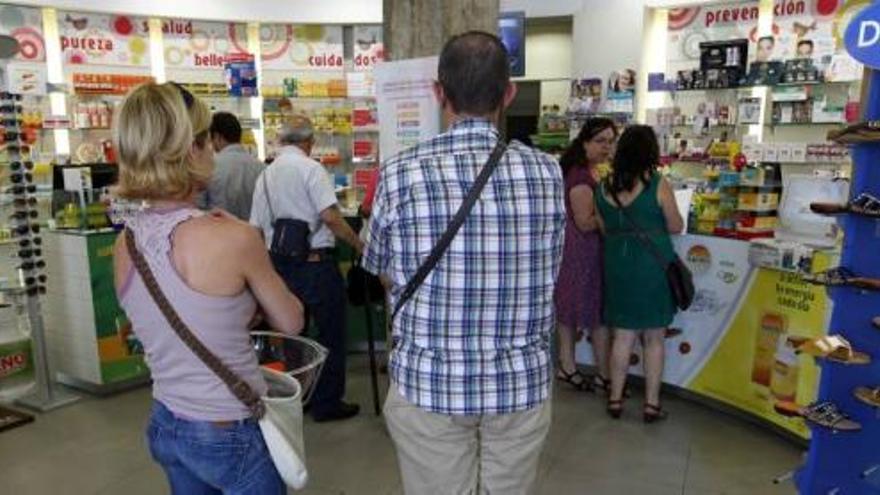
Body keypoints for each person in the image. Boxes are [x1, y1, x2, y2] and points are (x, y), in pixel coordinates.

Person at [364, 31, 565, 494]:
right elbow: (550, 265)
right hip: (519, 381)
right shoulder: (547, 172)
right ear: (508, 93)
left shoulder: (399, 172)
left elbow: (383, 270)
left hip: (429, 381)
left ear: (439, 93)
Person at [112, 82, 304, 493]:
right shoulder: (233, 238)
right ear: (193, 148)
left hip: (167, 421)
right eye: (205, 140)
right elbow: (291, 320)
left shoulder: (124, 244)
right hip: (229, 428)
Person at [250, 114, 365, 422]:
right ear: (308, 141)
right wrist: (358, 244)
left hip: (280, 268)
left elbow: (256, 229)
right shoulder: (311, 169)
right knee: (330, 333)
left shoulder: (266, 175)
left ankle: (298, 398)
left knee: (293, 337)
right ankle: (328, 403)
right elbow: (330, 217)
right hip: (316, 265)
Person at [595, 125, 684, 423]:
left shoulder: (604, 186)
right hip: (651, 266)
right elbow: (675, 225)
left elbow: (605, 230)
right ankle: (651, 404)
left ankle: (616, 399)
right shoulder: (658, 183)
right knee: (653, 339)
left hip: (617, 265)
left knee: (622, 336)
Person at [554, 117, 616, 392]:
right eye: (600, 141)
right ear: (585, 142)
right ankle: (604, 374)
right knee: (596, 315)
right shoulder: (580, 177)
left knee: (569, 312)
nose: (607, 147)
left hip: (575, 251)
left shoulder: (589, 171)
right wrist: (614, 214)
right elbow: (585, 222)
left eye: (611, 141)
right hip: (583, 252)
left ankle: (568, 366)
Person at [197, 111, 264, 220]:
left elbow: (199, 209)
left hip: (218, 233)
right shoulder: (262, 168)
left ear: (217, 137)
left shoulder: (208, 168)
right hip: (254, 234)